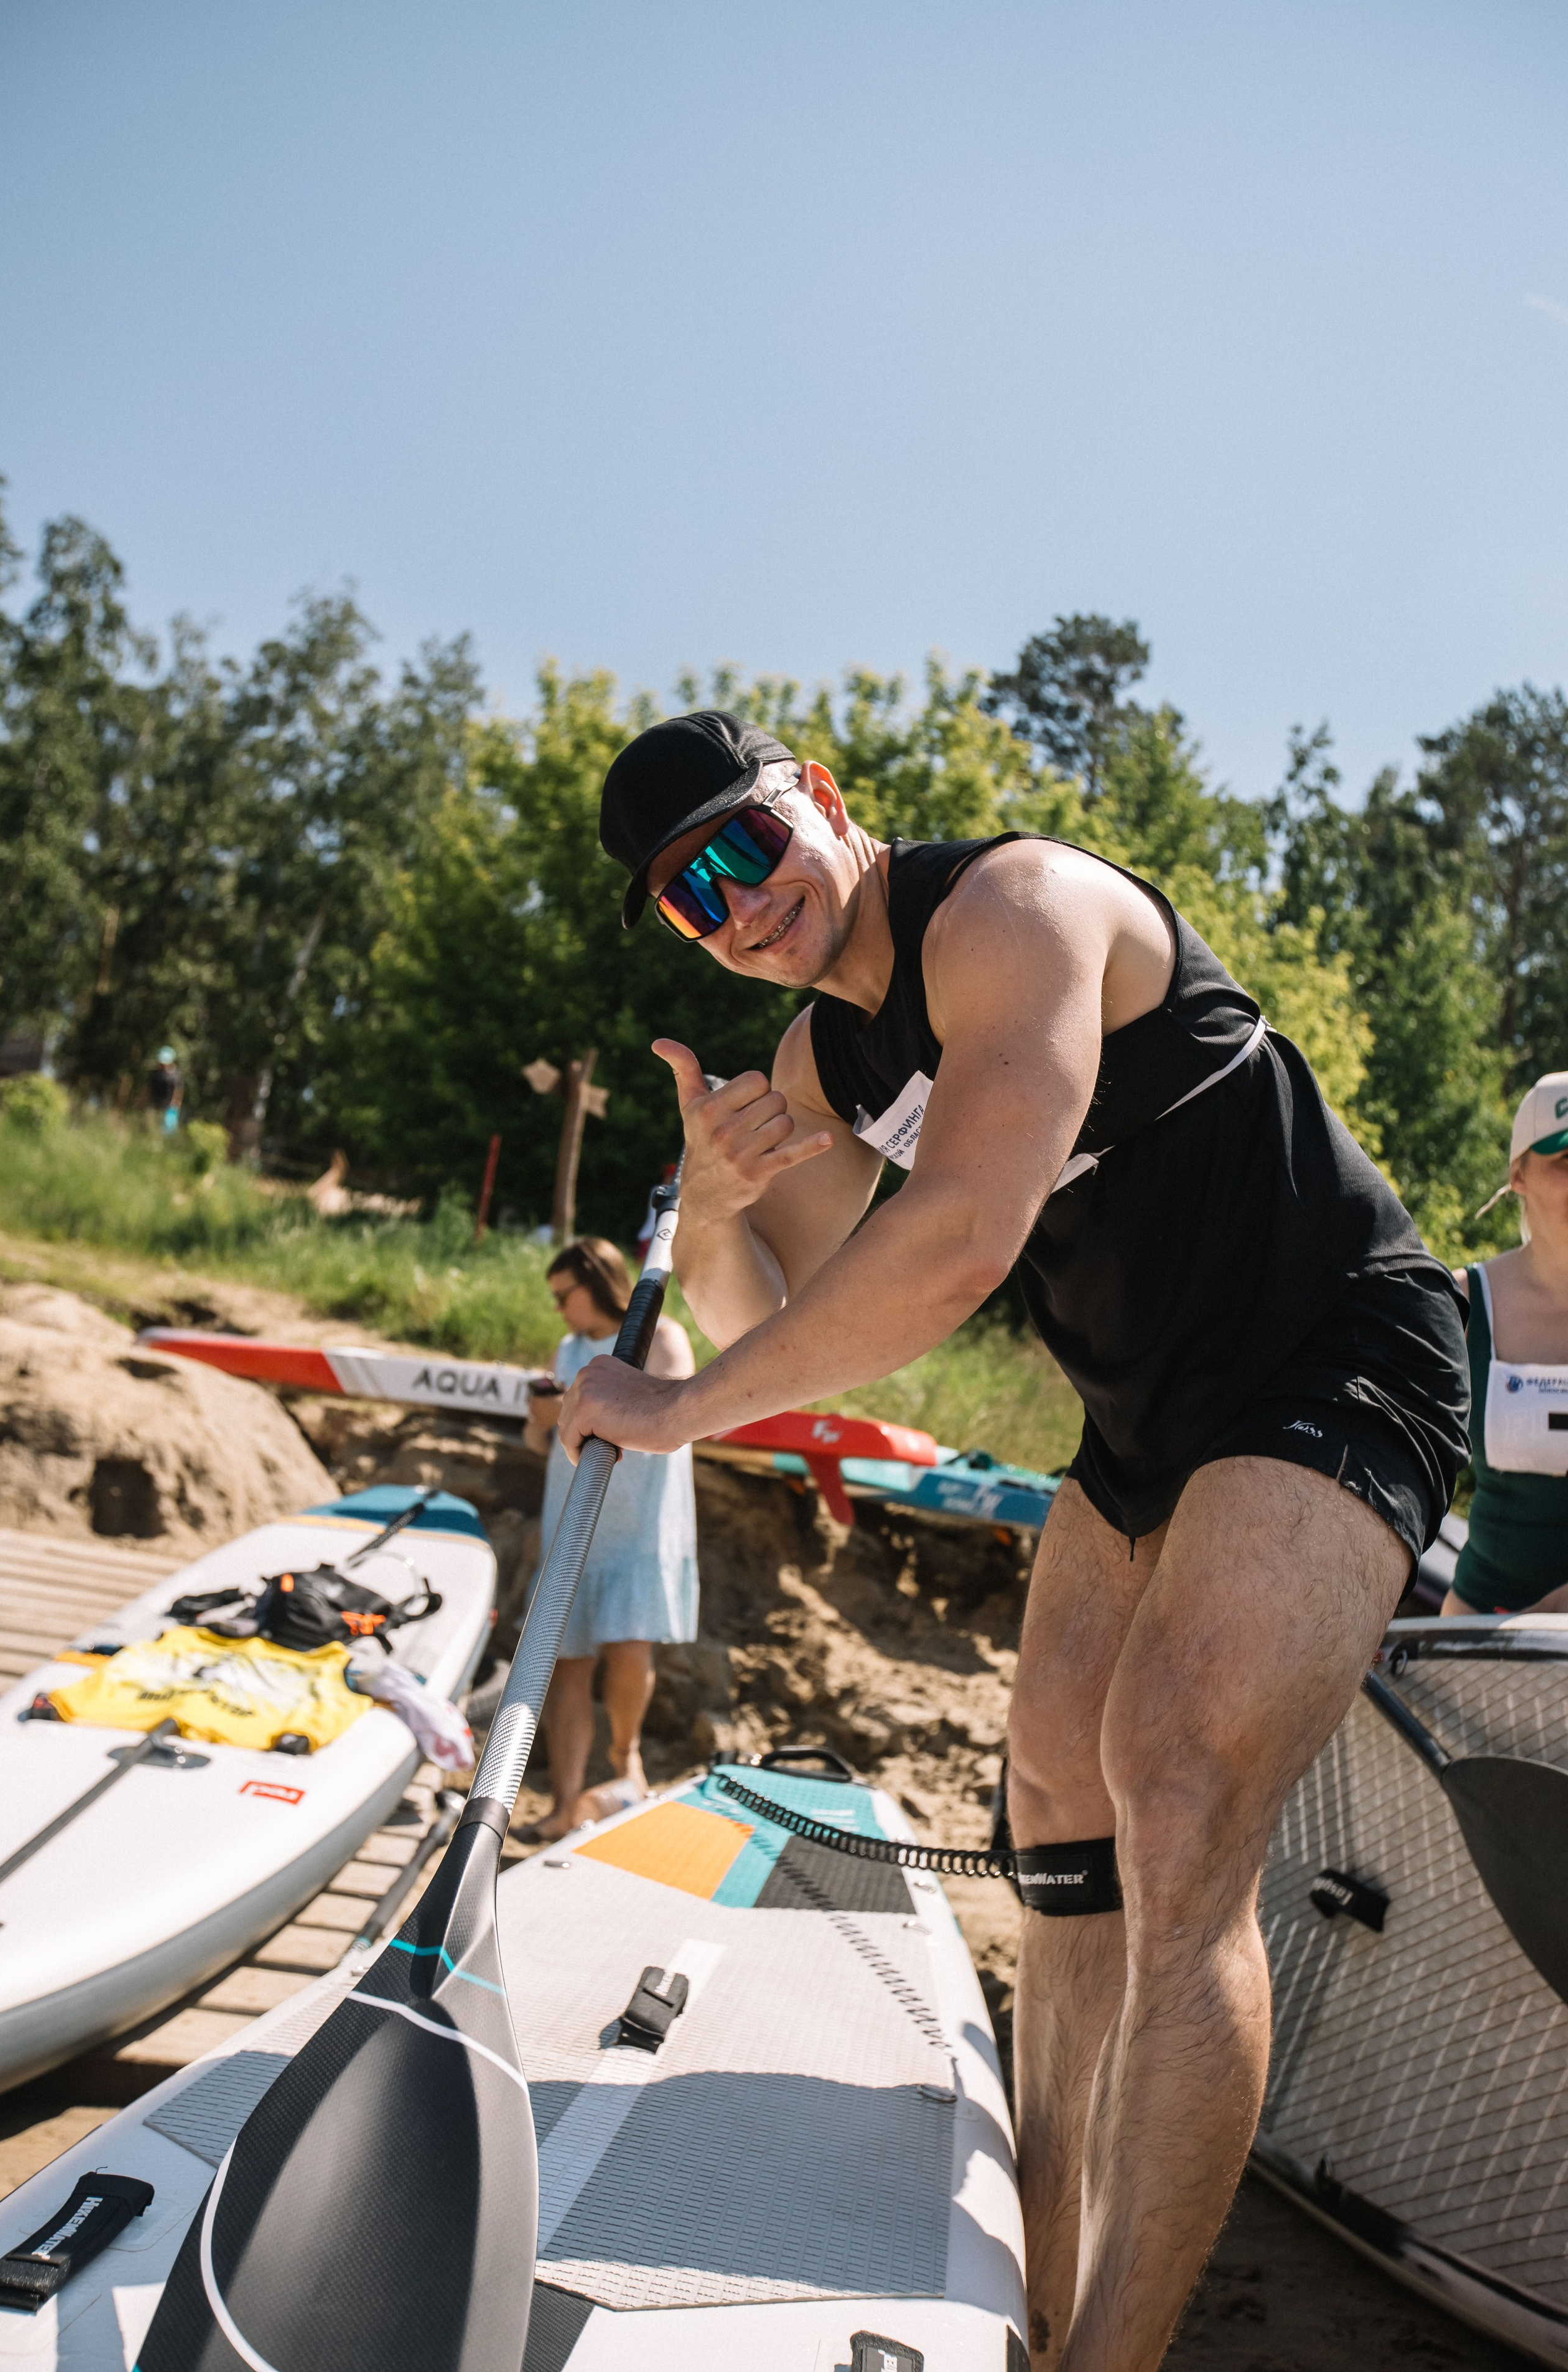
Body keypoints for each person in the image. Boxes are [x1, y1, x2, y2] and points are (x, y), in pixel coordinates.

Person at [554, 710, 1469, 2372]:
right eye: (692, 901)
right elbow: (813, 1323)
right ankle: (1038, 2307)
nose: (737, 909)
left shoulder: (1016, 912)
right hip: (1146, 1426)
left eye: (748, 849)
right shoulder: (830, 1065)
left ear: (825, 801)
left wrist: (675, 1410)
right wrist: (712, 1205)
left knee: (1174, 1789)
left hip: (1339, 1351)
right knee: (1053, 1819)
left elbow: (960, 1248)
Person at [521, 1235, 698, 1840]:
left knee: (627, 1648)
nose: (558, 1308)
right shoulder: (568, 1348)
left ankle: (628, 1762)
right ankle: (565, 1805)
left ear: (594, 1282)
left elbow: (676, 1404)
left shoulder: (662, 1337)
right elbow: (536, 1440)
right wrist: (544, 1421)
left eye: (562, 1294)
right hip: (572, 1517)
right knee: (565, 1662)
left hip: (638, 1525)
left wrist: (576, 1402)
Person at [1442, 1072, 1568, 1615]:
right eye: (1565, 1162)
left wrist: (1541, 1624)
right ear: (1518, 1175)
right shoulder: (1461, 1301)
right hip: (1481, 1632)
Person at [146, 1046, 182, 1134]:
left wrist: (175, 1104)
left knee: (167, 1130)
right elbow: (148, 1087)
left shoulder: (175, 1076)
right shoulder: (155, 1073)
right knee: (151, 1124)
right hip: (154, 1103)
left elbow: (178, 1091)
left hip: (169, 1106)